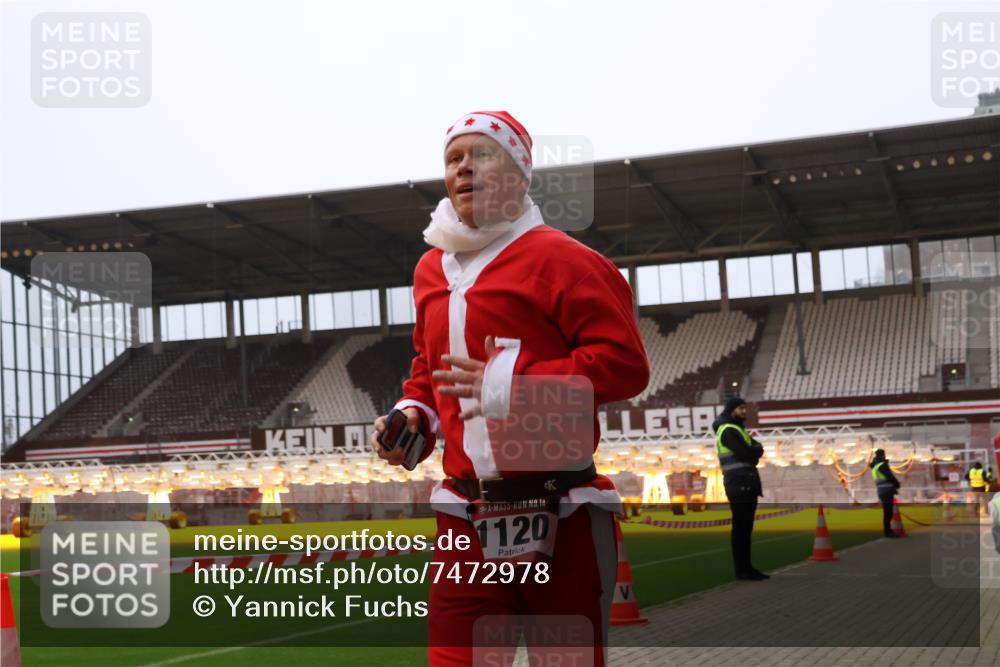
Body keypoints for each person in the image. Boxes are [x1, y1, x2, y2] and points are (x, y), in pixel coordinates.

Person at [370, 110, 650, 666]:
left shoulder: (569, 260)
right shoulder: (431, 268)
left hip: (561, 511)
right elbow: (428, 369)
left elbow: (625, 365)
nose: (464, 168)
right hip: (465, 517)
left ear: (521, 174)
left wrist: (512, 383)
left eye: (483, 155)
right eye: (453, 159)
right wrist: (412, 417)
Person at [712, 396, 768, 581]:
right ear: (731, 410)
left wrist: (755, 450)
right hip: (739, 483)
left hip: (744, 483)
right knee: (741, 529)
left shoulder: (737, 430)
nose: (744, 411)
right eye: (740, 408)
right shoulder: (728, 431)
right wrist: (755, 451)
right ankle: (743, 570)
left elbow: (756, 450)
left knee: (745, 529)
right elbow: (749, 454)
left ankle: (746, 568)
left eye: (745, 408)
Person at [869, 449, 901, 537]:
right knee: (888, 512)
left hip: (881, 491)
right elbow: (889, 476)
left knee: (887, 512)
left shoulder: (875, 466)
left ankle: (888, 531)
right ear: (883, 455)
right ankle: (888, 532)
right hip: (887, 491)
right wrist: (897, 484)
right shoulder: (882, 465)